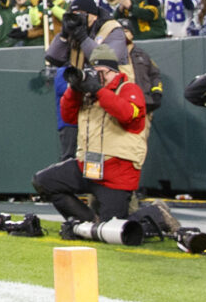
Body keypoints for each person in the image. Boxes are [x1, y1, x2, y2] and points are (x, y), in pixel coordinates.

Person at [32, 44, 147, 229]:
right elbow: (68, 117)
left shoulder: (129, 89)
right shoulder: (89, 94)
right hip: (88, 165)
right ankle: (87, 222)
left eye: (98, 71)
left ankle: (157, 214)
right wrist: (74, 90)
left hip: (116, 172)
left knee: (112, 230)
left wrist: (99, 91)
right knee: (44, 181)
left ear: (110, 71)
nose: (94, 76)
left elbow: (126, 114)